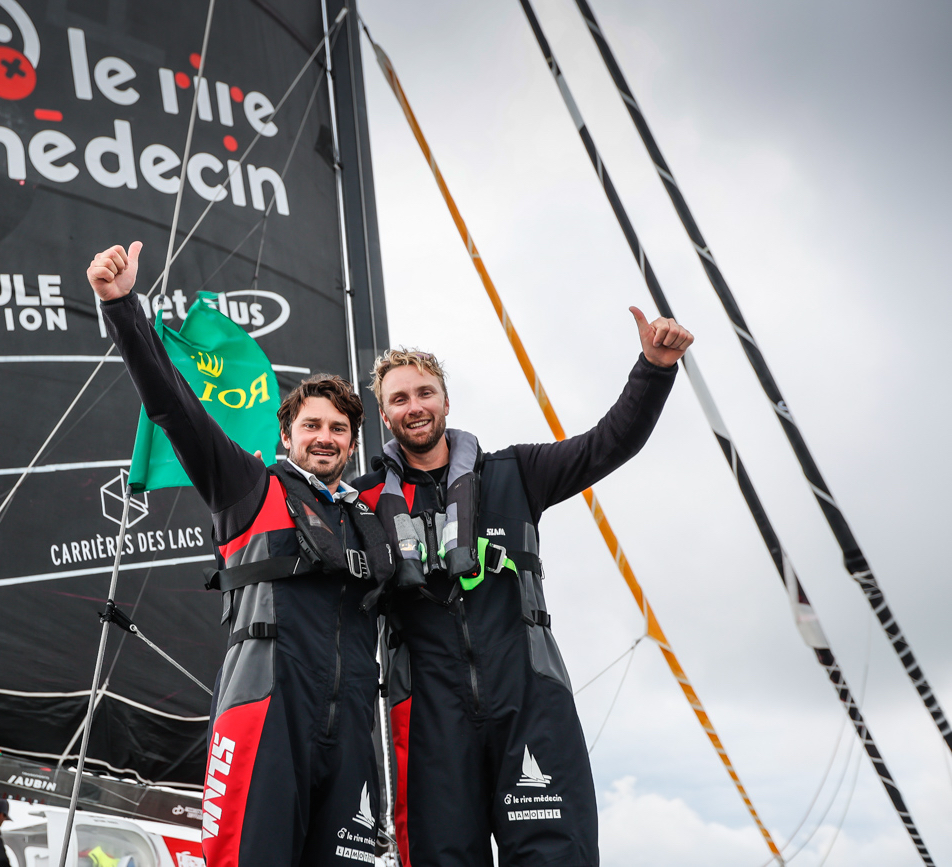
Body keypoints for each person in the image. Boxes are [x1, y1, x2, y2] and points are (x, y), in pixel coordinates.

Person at [88, 242, 395, 867]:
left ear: (354, 443)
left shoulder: (374, 519)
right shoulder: (247, 486)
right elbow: (171, 404)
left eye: (339, 429)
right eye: (312, 426)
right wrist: (121, 306)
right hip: (266, 711)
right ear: (287, 435)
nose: (325, 438)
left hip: (355, 728)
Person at [353, 308, 693, 866]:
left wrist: (653, 368)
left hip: (530, 696)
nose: (414, 407)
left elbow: (607, 444)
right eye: (399, 399)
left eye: (424, 392)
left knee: (557, 855)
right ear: (384, 414)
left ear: (445, 400)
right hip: (428, 715)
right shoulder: (363, 504)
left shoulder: (516, 473)